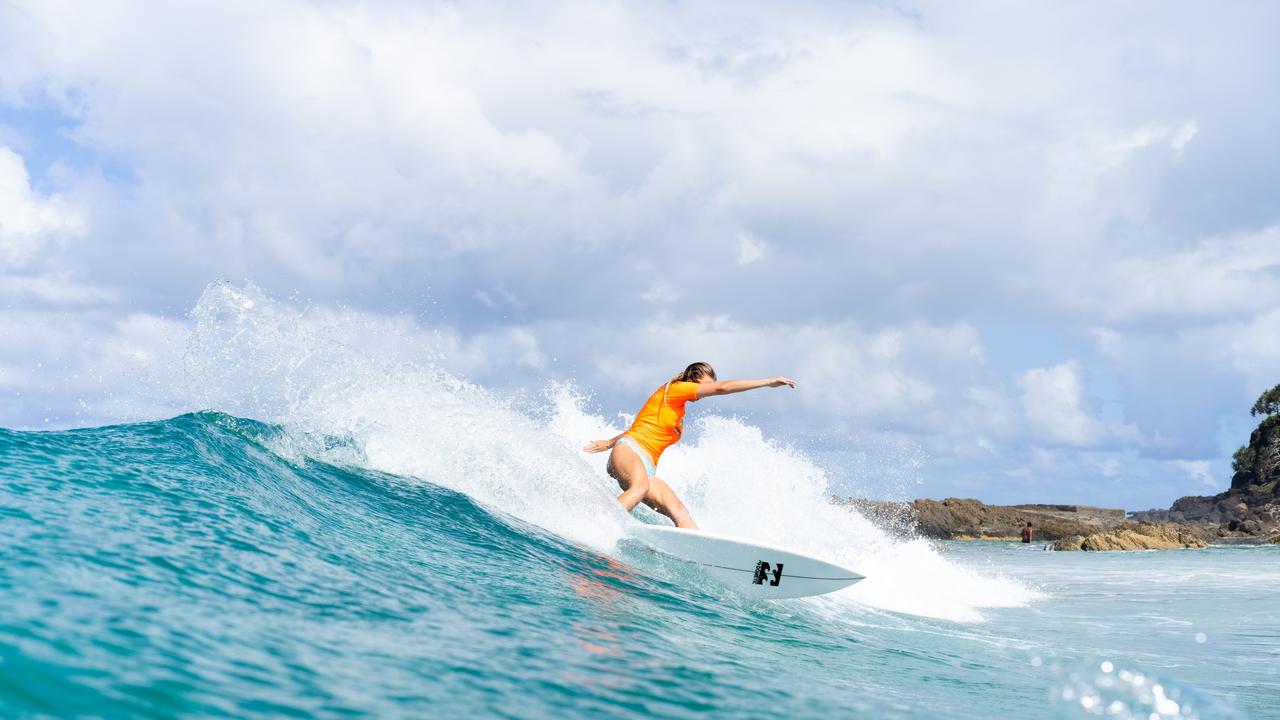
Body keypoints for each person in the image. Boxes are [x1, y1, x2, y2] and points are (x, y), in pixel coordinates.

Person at [584, 362, 796, 530]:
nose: (707, 391)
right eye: (706, 384)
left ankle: (704, 560)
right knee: (640, 488)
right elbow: (722, 388)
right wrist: (768, 381)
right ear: (694, 379)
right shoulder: (675, 389)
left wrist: (608, 442)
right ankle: (597, 524)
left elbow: (640, 424)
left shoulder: (677, 409)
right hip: (630, 451)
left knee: (680, 513)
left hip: (646, 467)